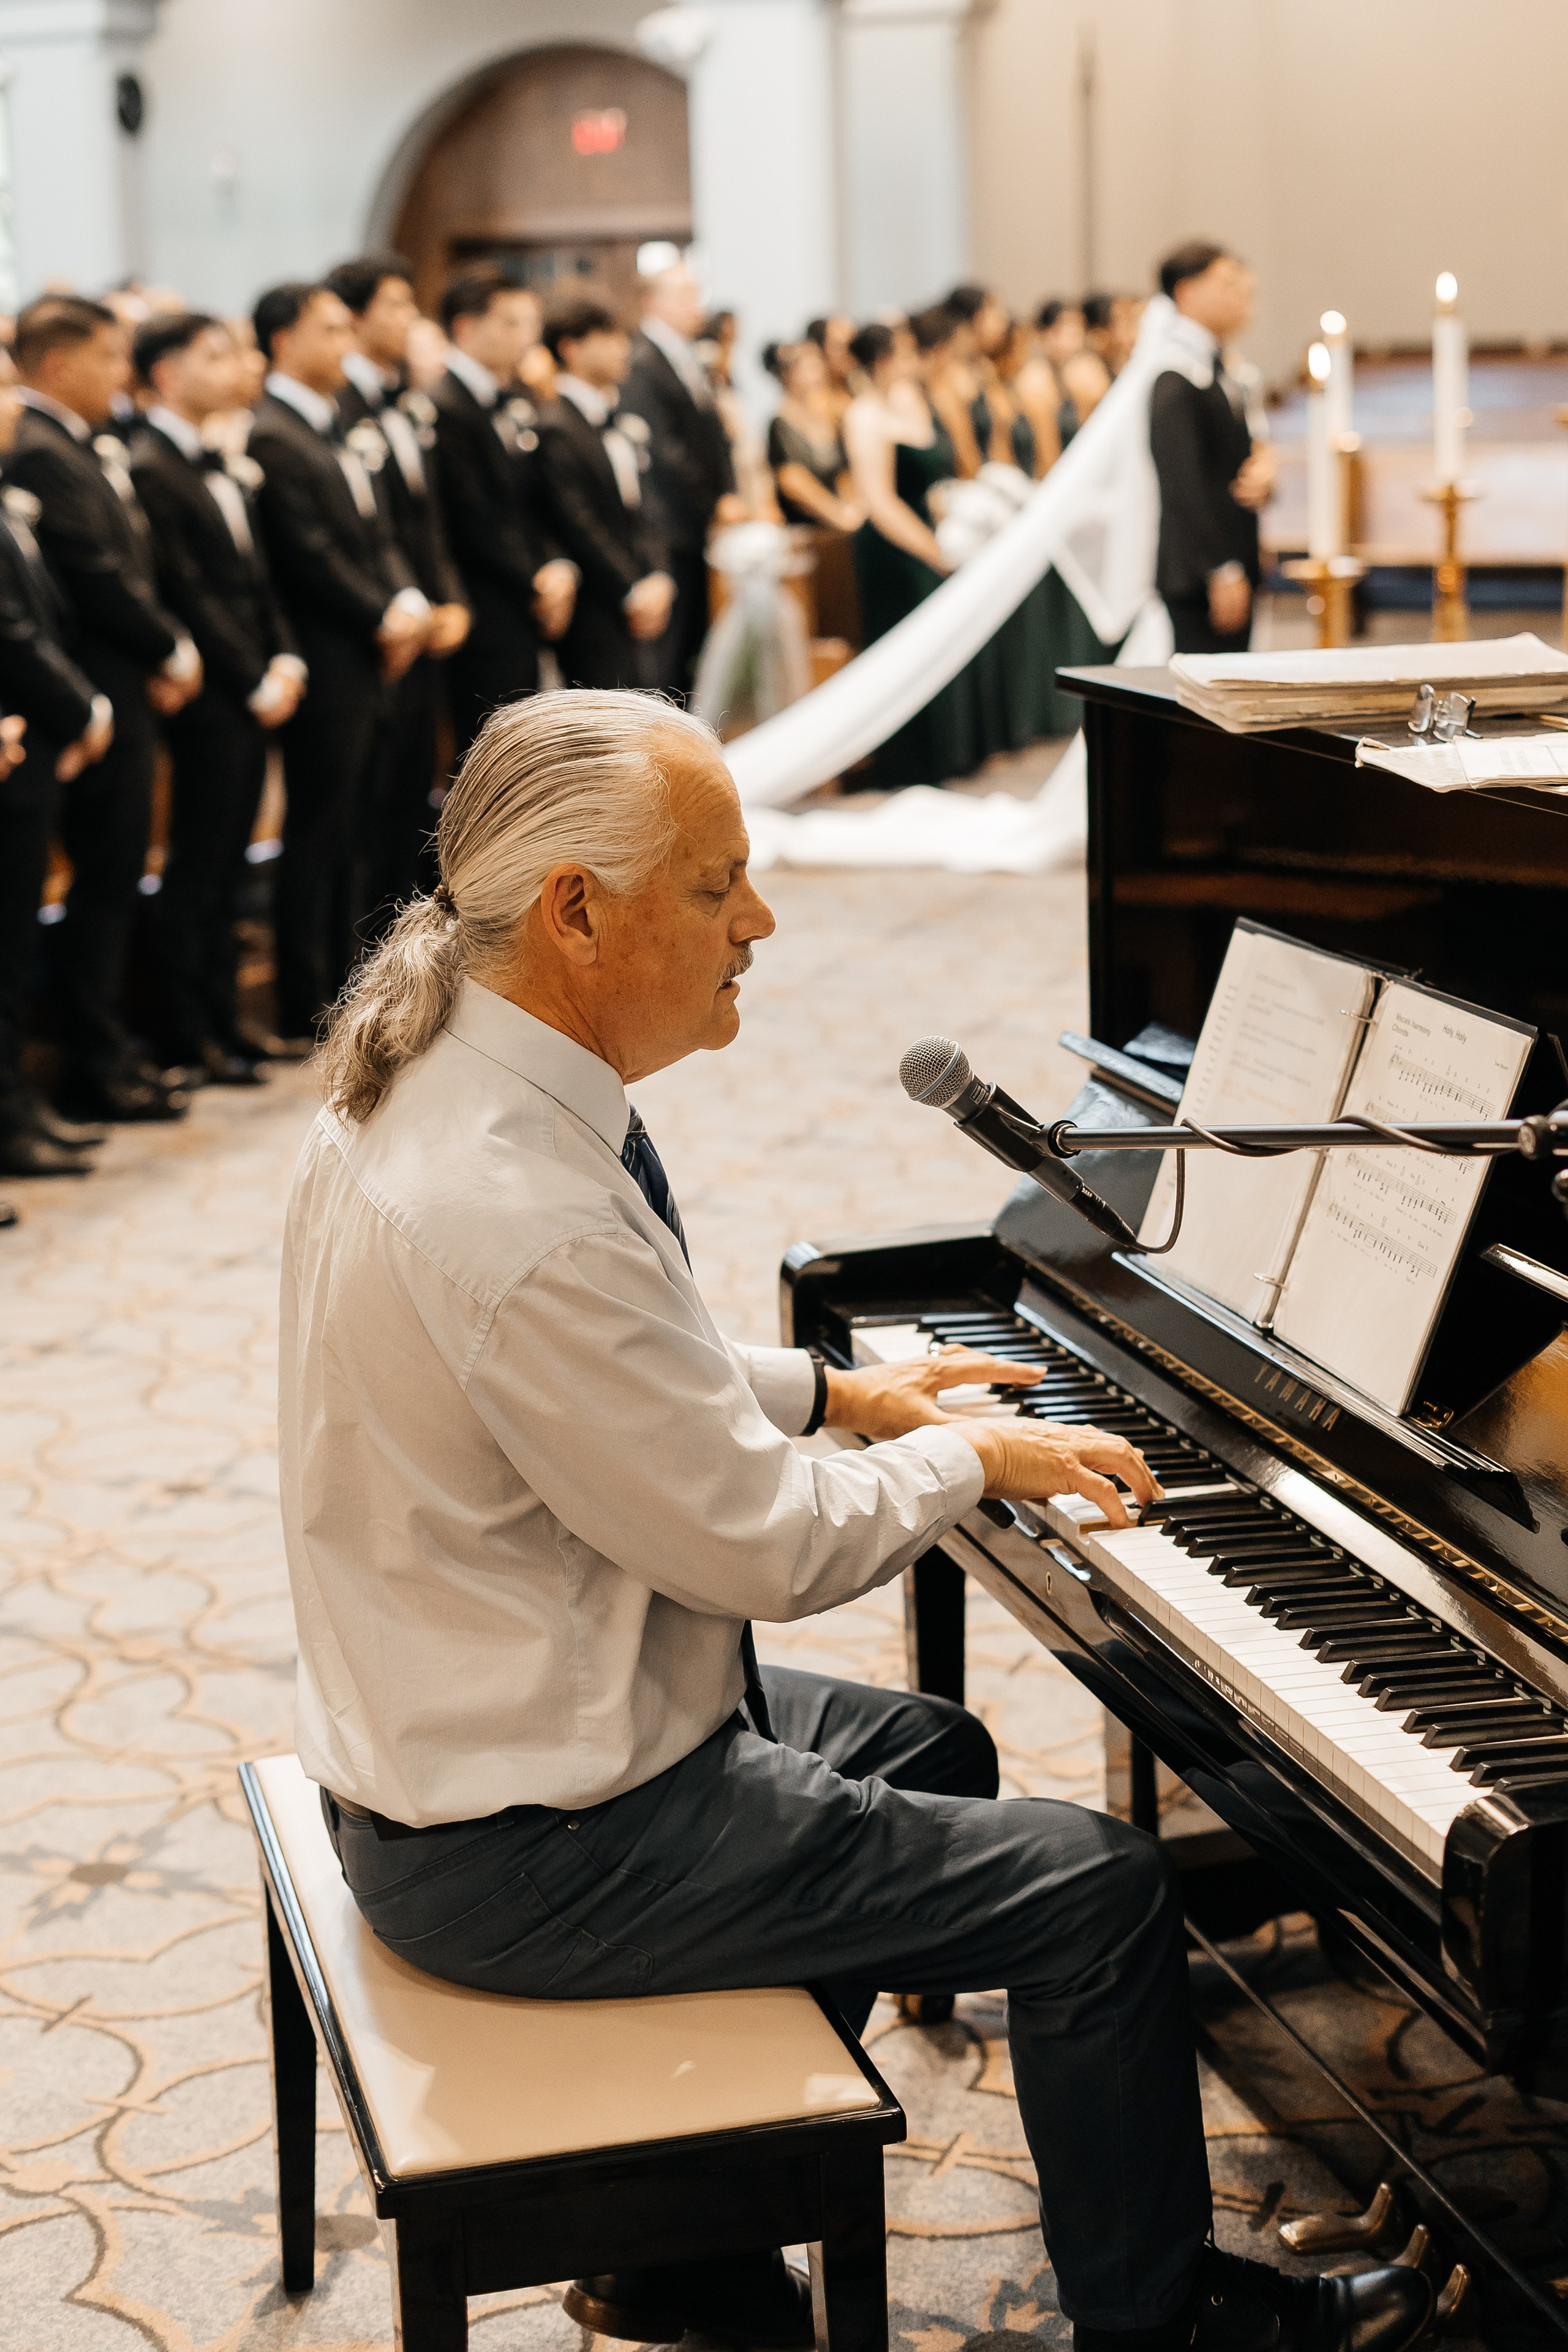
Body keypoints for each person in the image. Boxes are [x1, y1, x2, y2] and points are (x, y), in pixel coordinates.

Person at [279, 688, 1434, 2352]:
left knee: (933, 1748)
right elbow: (762, 1548)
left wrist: (842, 1394)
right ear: (576, 910)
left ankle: (682, 2236)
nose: (759, 919)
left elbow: (594, 1372)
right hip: (529, 1840)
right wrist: (973, 1461)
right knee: (1098, 1888)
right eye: (716, 885)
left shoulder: (444, 1080)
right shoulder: (511, 1201)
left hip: (475, 1736)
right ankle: (1165, 2320)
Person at [9, 294, 202, 1123]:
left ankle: (108, 1051)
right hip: (84, 698)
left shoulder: (76, 443)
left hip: (108, 693)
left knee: (118, 880)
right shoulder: (42, 450)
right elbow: (92, 575)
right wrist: (165, 648)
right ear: (60, 364)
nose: (124, 374)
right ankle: (91, 1060)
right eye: (108, 357)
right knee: (99, 888)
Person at [129, 311, 305, 1084]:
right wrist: (250, 676)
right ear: (166, 374)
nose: (234, 366)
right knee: (199, 867)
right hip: (211, 696)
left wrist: (285, 656)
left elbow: (256, 579)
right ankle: (188, 1029)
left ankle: (229, 1019)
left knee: (234, 863)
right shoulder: (152, 467)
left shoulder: (224, 456)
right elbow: (188, 591)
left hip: (254, 685)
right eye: (213, 355)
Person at [249, 281, 426, 1044]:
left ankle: (355, 979)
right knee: (320, 829)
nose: (344, 343)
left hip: (371, 649)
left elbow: (378, 530)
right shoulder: (272, 433)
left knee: (364, 822)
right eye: (328, 330)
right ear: (284, 341)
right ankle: (309, 995)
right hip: (328, 654)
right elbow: (307, 552)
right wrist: (379, 613)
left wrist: (405, 599)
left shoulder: (336, 421)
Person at [325, 254, 470, 924]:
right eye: (396, 305)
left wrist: (448, 599)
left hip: (423, 617)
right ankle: (370, 951)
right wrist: (403, 606)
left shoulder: (405, 398)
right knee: (371, 808)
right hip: (379, 628)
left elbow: (427, 517)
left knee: (414, 795)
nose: (410, 318)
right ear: (354, 318)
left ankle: (409, 942)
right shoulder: (338, 407)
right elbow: (365, 529)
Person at [0, 368, 114, 1176]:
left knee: (13, 948)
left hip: (26, 743)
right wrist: (82, 709)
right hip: (19, 737)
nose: (15, 405)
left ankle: (16, 1110)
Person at [430, 266, 576, 764]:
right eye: (510, 323)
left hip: (524, 596)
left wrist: (557, 565)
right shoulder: (442, 404)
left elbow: (538, 499)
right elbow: (470, 514)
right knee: (487, 749)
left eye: (530, 323)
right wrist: (535, 576)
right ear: (466, 327)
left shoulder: (516, 398)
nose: (527, 337)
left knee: (525, 746)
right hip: (482, 597)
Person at [533, 294, 672, 692]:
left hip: (640, 593)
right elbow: (577, 520)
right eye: (608, 338)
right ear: (571, 348)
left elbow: (643, 509)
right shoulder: (555, 425)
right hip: (596, 604)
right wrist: (631, 589)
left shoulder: (616, 420)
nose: (623, 348)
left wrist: (659, 574)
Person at [622, 263, 745, 693]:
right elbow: (662, 450)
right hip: (670, 523)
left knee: (693, 644)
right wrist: (714, 500)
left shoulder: (684, 354)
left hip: (692, 524)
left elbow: (712, 436)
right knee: (670, 652)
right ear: (653, 302)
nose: (697, 305)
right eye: (685, 295)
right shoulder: (643, 360)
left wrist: (729, 490)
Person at [1150, 241, 1275, 656]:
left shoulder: (1221, 367)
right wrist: (1220, 570)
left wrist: (1264, 469)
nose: (1243, 295)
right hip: (1200, 571)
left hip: (1233, 555)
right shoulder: (1174, 374)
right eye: (1227, 284)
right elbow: (1183, 481)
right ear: (1186, 292)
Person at [764, 341, 859, 531]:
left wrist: (856, 507)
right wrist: (839, 515)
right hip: (810, 527)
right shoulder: (781, 423)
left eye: (818, 365)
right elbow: (793, 481)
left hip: (844, 517)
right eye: (810, 367)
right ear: (788, 375)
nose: (819, 372)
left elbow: (842, 471)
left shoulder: (828, 415)